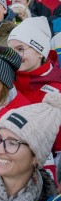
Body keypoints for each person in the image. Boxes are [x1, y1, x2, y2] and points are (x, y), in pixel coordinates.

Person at [8, 16, 61, 161]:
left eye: (20, 49)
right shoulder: (6, 78)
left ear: (40, 52)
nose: (14, 56)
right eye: (10, 50)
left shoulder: (57, 90)